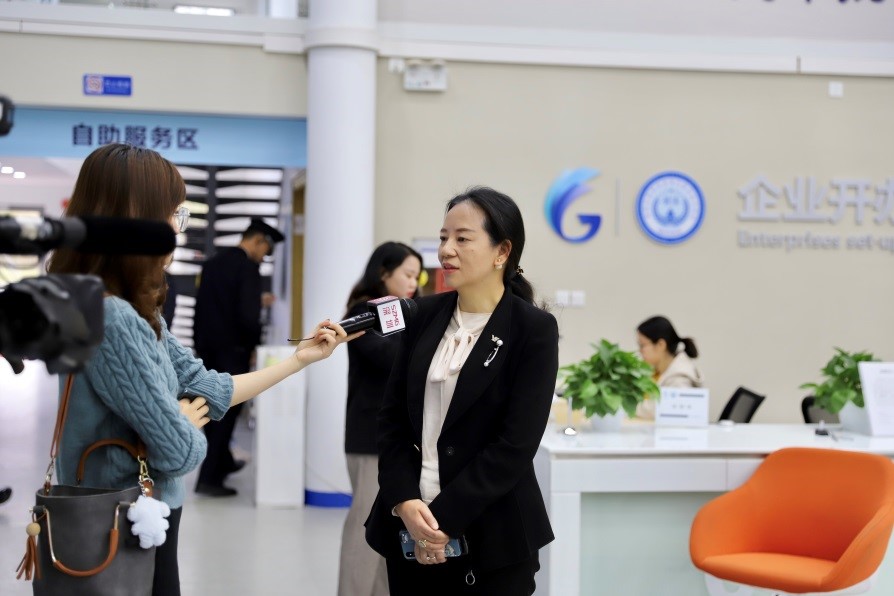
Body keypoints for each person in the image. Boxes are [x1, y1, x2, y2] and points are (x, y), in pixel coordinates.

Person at [46, 143, 352, 596]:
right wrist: (184, 424)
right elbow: (177, 451)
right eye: (174, 214)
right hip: (123, 521)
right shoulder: (114, 317)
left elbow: (208, 386)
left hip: (133, 515)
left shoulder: (121, 307)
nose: (178, 228)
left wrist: (298, 359)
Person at [365, 187, 559, 595]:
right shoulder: (423, 315)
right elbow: (392, 420)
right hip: (407, 529)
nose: (446, 250)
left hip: (493, 539)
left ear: (502, 251)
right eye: (443, 237)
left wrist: (442, 520)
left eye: (462, 238)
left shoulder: (533, 329)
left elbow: (515, 445)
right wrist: (404, 500)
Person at [338, 241, 423, 596]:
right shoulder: (364, 312)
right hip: (369, 437)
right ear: (384, 272)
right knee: (365, 526)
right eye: (408, 274)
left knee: (389, 531)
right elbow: (390, 359)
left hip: (396, 439)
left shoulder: (406, 312)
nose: (413, 283)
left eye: (417, 277)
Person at [192, 218, 285, 497]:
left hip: (208, 351)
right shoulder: (247, 268)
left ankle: (222, 462)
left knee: (212, 411)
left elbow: (208, 308)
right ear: (258, 241)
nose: (263, 257)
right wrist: (254, 345)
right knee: (226, 413)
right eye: (265, 251)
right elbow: (246, 317)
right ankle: (209, 479)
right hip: (234, 353)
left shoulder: (213, 263)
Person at [634, 315, 704, 420]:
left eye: (642, 345)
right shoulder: (656, 372)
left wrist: (626, 405)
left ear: (661, 345)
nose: (640, 351)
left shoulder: (680, 380)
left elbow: (661, 411)